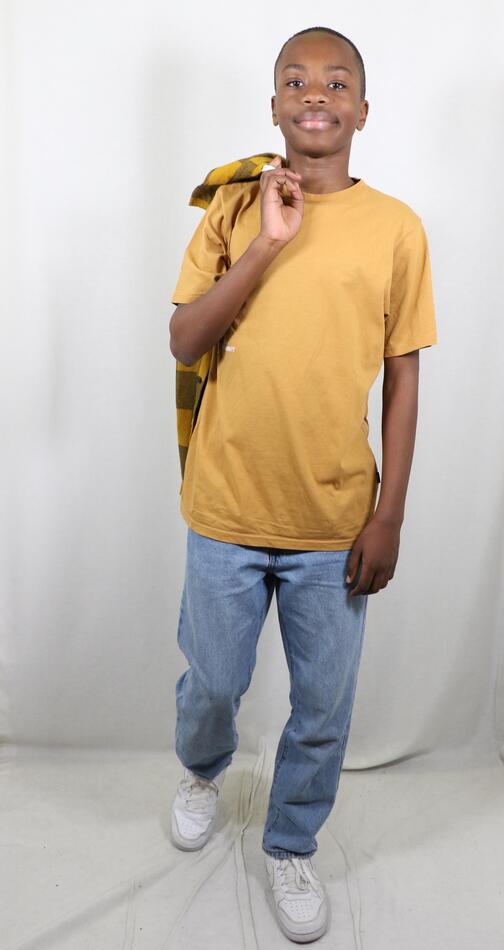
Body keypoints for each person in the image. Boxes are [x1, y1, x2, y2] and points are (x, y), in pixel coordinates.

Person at [168, 25, 438, 944]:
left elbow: (404, 376)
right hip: (227, 503)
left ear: (362, 110)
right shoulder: (236, 206)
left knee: (323, 707)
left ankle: (289, 844)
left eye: (335, 82)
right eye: (294, 80)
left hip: (334, 520)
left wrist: (389, 514)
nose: (314, 93)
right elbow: (183, 340)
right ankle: (201, 771)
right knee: (213, 681)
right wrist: (266, 245)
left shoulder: (397, 228)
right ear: (275, 105)